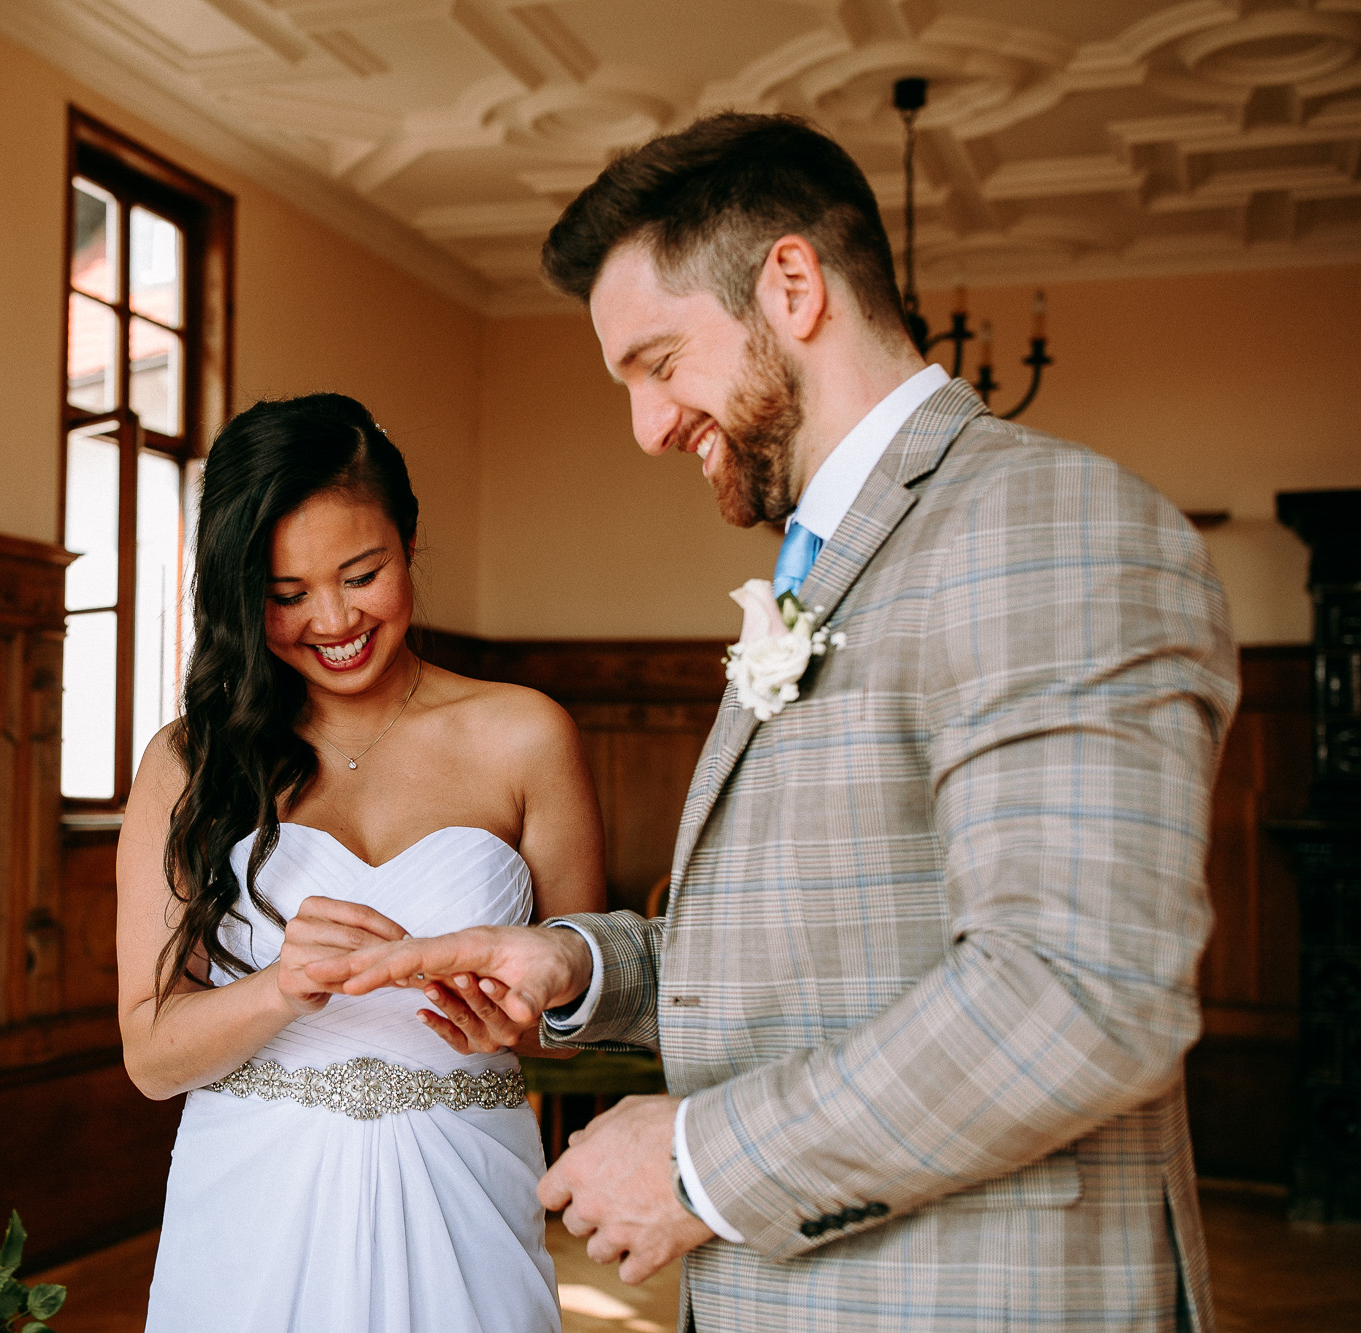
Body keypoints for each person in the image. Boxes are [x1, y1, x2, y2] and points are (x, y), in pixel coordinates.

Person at [312, 113, 1240, 1332]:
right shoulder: (830, 563)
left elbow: (1075, 991)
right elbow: (820, 954)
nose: (646, 427)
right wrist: (578, 966)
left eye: (655, 364)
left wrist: (699, 1162)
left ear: (791, 284)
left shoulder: (1038, 525)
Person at [117, 393, 605, 1333]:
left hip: (464, 1184)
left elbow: (580, 1021)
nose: (332, 619)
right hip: (253, 1202)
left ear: (409, 540)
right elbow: (149, 1054)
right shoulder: (191, 761)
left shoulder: (525, 735)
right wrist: (279, 989)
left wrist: (517, 1016)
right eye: (286, 594)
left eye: (361, 573)